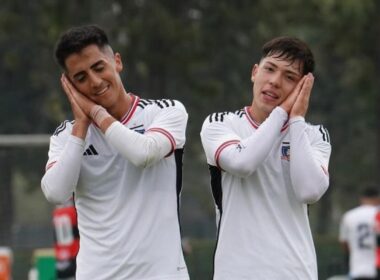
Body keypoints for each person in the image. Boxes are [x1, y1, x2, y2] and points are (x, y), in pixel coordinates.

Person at [41, 24, 189, 280]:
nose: (95, 81)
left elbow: (143, 154)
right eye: (81, 78)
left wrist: (96, 113)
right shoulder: (66, 134)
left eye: (99, 68)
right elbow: (55, 192)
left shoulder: (164, 112)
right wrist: (82, 126)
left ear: (117, 61)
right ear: (71, 87)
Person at [200, 36, 332, 279]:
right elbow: (242, 163)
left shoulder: (314, 135)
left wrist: (296, 120)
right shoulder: (221, 124)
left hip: (296, 273)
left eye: (289, 77)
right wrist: (283, 112)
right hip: (236, 273)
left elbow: (309, 191)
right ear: (254, 72)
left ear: (302, 88)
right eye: (270, 69)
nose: (274, 81)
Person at [339, 187, 380, 280]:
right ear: (377, 199)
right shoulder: (377, 213)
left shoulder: (349, 216)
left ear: (362, 199)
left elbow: (344, 243)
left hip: (357, 270)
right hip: (376, 268)